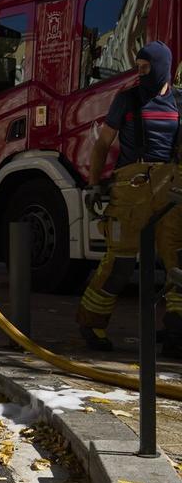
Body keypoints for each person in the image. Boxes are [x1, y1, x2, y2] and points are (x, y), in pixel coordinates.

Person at [76, 41, 182, 357]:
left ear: (162, 66)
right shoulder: (126, 99)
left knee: (178, 262)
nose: (139, 73)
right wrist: (94, 186)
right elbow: (102, 145)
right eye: (137, 67)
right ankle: (91, 323)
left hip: (171, 190)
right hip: (129, 192)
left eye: (145, 68)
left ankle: (177, 329)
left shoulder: (179, 102)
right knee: (119, 262)